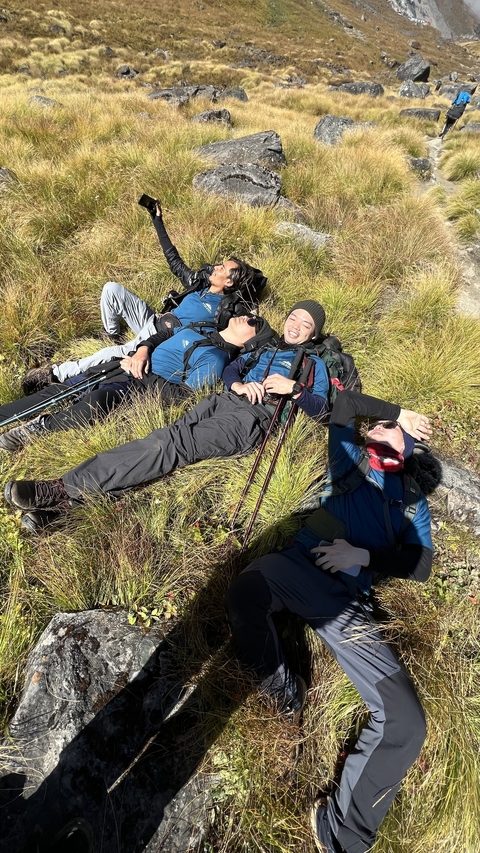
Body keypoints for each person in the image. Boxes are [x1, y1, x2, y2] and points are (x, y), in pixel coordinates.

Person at [226, 389, 433, 853]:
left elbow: (420, 566)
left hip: (348, 603)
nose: (381, 432)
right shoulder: (350, 464)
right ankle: (285, 694)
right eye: (378, 426)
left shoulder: (412, 502)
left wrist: (361, 554)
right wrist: (399, 411)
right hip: (299, 567)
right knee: (245, 593)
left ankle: (340, 834)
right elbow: (343, 407)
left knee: (406, 722)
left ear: (407, 452)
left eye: (394, 433)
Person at [4, 301, 330, 532]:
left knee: (166, 445)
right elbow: (232, 368)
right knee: (163, 451)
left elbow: (325, 411)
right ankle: (66, 513)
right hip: (223, 400)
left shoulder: (315, 365)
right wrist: (239, 383)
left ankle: (61, 489)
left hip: (255, 418)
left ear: (314, 334)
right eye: (295, 317)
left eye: (306, 324)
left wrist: (296, 390)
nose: (297, 325)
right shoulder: (265, 348)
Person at [22, 201, 261, 394]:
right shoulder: (198, 283)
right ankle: (111, 332)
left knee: (110, 355)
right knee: (111, 289)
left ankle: (55, 374)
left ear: (229, 282)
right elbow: (173, 260)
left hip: (161, 337)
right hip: (152, 319)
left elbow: (241, 337)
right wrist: (157, 220)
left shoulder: (227, 310)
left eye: (222, 269)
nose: (216, 267)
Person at [0, 314, 271, 452]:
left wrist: (141, 371)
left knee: (95, 403)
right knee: (61, 390)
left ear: (250, 341)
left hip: (135, 385)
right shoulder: (204, 327)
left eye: (253, 322)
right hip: (120, 365)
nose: (246, 316)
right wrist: (141, 352)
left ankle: (37, 429)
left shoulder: (217, 360)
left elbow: (182, 396)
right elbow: (160, 336)